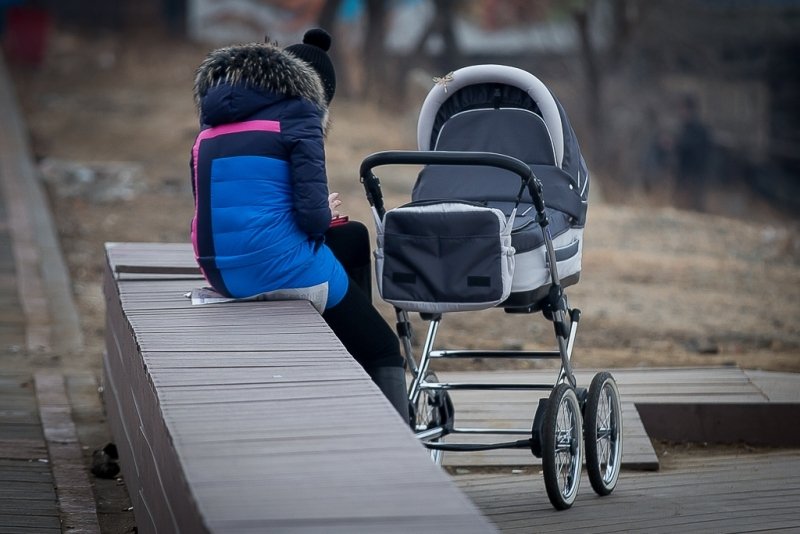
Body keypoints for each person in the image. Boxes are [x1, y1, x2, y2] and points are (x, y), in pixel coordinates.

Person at [189, 28, 409, 423]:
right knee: (382, 347)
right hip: (274, 269)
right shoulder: (300, 116)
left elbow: (220, 206)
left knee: (352, 237)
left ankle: (345, 343)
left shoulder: (210, 127)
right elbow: (310, 219)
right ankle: (399, 446)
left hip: (220, 270)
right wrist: (321, 211)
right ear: (316, 92)